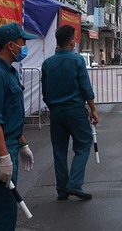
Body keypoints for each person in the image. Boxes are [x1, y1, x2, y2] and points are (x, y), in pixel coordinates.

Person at [0, 23, 37, 230]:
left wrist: (22, 144)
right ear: (11, 46)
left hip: (8, 144)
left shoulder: (8, 72)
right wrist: (4, 157)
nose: (25, 46)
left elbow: (9, 115)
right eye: (23, 42)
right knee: (5, 210)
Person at [41, 25, 99, 201]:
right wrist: (93, 109)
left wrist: (53, 106)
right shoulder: (77, 60)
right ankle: (74, 183)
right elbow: (85, 87)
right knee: (84, 143)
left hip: (55, 111)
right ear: (72, 42)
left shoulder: (47, 63)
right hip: (74, 109)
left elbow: (45, 91)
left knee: (59, 150)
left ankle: (62, 190)